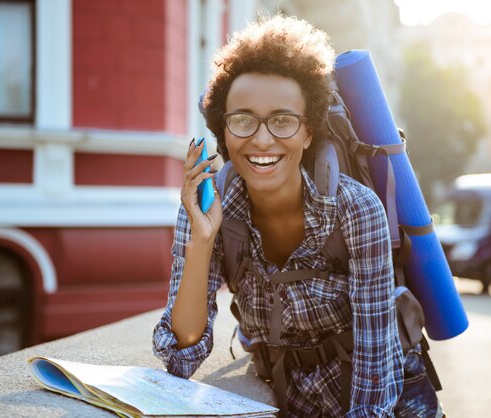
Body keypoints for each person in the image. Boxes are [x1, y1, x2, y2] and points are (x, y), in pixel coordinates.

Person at [153, 15, 407, 417]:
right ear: (224, 130)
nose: (262, 138)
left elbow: (377, 358)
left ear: (309, 133)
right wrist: (201, 241)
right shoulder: (206, 205)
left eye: (283, 120)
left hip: (372, 394)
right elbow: (181, 358)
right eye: (243, 119)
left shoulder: (357, 209)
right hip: (282, 393)